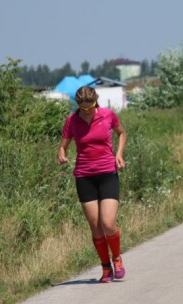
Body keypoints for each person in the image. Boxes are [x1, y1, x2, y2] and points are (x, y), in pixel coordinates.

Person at [57, 86, 127, 283]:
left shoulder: (107, 115)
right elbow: (63, 146)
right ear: (77, 104)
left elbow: (121, 133)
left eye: (90, 107)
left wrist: (119, 154)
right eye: (82, 108)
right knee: (96, 228)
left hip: (107, 174)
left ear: (96, 101)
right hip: (84, 176)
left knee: (108, 223)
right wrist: (61, 154)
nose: (86, 111)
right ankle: (105, 268)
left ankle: (117, 259)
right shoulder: (72, 120)